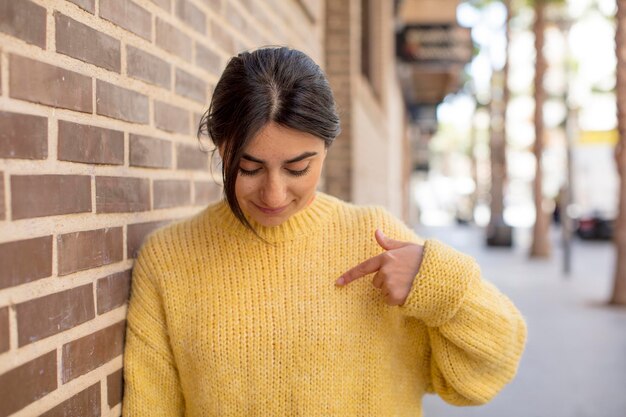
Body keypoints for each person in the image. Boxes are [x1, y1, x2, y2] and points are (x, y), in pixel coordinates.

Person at [122, 47, 527, 417]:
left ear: (327, 149)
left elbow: (488, 372)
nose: (274, 193)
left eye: (298, 168)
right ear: (220, 145)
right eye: (249, 168)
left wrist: (438, 283)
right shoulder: (170, 258)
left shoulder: (376, 238)